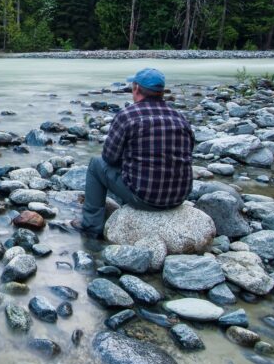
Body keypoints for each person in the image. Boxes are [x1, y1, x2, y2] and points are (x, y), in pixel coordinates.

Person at [72, 68, 195, 239]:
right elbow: (188, 152)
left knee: (95, 164)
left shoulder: (128, 116)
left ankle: (91, 227)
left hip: (145, 198)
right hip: (178, 197)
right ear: (161, 92)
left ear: (136, 88)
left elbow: (109, 157)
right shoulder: (179, 117)